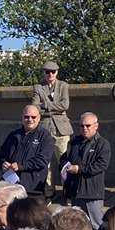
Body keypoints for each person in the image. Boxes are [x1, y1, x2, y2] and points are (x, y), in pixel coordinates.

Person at [63, 111, 110, 228]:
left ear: (96, 126)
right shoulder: (74, 142)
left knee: (96, 226)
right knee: (77, 227)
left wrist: (79, 169)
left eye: (88, 125)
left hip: (92, 194)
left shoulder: (102, 144)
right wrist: (65, 167)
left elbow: (101, 165)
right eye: (82, 125)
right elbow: (64, 159)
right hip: (75, 192)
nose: (84, 128)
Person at [0, 104, 55, 196]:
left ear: (39, 118)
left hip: (33, 188)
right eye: (26, 117)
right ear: (22, 118)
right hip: (12, 185)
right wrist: (3, 163)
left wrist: (21, 166)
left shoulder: (45, 136)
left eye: (33, 117)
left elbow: (42, 160)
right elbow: (2, 154)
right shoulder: (13, 135)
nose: (30, 119)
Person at [33, 61, 73, 193]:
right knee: (46, 163)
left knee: (65, 162)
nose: (50, 74)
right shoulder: (38, 87)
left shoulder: (63, 86)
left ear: (57, 72)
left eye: (53, 72)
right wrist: (54, 108)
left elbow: (65, 105)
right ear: (44, 73)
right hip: (44, 129)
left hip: (61, 130)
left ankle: (67, 191)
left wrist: (46, 106)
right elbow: (35, 108)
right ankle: (49, 192)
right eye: (47, 72)